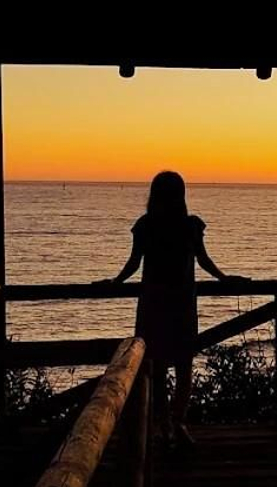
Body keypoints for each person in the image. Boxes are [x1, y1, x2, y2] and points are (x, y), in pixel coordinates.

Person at [100, 171, 241, 448]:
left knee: (160, 368)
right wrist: (224, 278)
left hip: (157, 303)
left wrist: (115, 281)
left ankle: (167, 423)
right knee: (179, 366)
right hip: (179, 303)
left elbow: (133, 265)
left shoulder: (149, 226)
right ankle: (175, 423)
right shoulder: (186, 226)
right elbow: (203, 261)